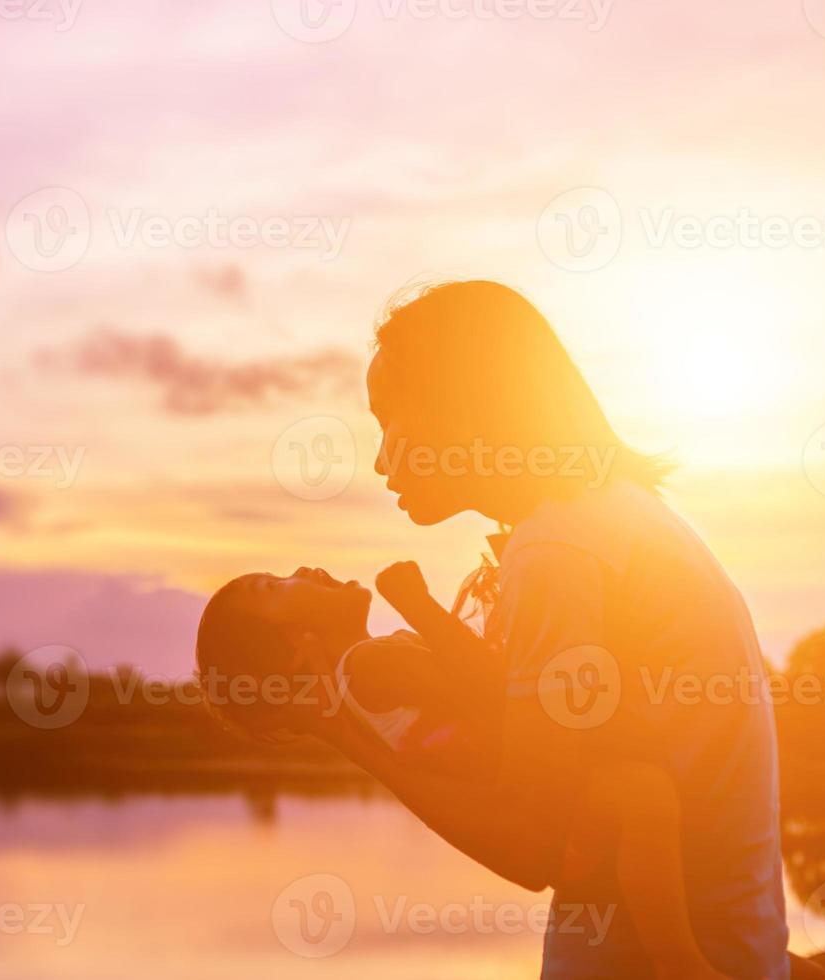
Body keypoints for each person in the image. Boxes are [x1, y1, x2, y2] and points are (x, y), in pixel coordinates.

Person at [199, 280, 794, 978]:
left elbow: (527, 845)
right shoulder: (612, 517)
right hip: (733, 951)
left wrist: (348, 736)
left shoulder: (557, 552)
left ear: (464, 405)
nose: (383, 458)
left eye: (392, 420)